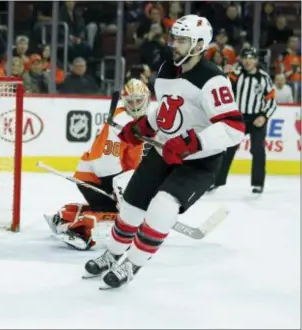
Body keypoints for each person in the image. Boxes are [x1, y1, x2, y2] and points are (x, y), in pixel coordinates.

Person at [83, 15, 245, 289]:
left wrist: (191, 144)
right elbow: (168, 109)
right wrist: (143, 126)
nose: (175, 45)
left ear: (198, 44)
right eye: (175, 39)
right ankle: (113, 254)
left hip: (198, 163)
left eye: (182, 40)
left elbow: (233, 128)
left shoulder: (213, 80)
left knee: (162, 207)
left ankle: (132, 264)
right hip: (164, 152)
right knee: (132, 206)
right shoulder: (167, 70)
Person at [44, 79, 151, 251]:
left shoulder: (137, 123)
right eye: (131, 101)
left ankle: (65, 215)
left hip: (95, 175)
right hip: (96, 177)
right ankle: (77, 229)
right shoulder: (122, 121)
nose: (136, 105)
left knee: (117, 209)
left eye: (139, 100)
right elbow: (105, 163)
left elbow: (131, 161)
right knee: (121, 215)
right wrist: (121, 191)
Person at [211, 47, 277, 194]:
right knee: (227, 149)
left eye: (251, 58)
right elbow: (222, 87)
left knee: (258, 150)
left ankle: (258, 183)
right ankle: (216, 181)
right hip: (238, 118)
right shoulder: (236, 74)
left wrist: (264, 116)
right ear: (241, 59)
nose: (248, 61)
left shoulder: (264, 77)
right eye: (245, 57)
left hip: (257, 118)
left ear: (256, 60)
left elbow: (271, 100)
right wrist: (225, 72)